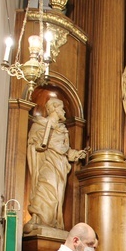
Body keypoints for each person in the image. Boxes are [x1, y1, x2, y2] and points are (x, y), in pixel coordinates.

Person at [25, 97, 89, 232]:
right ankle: (39, 218)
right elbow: (33, 145)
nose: (64, 112)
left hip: (59, 166)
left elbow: (64, 150)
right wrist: (37, 145)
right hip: (46, 164)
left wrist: (76, 154)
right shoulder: (40, 125)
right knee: (44, 187)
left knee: (55, 194)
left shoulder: (63, 129)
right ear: (54, 108)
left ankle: (51, 222)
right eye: (61, 109)